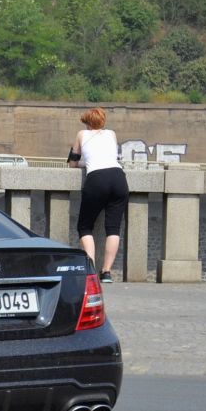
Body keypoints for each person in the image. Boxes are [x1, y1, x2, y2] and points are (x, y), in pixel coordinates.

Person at [67, 106, 128, 284]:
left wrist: (81, 163)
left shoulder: (81, 134)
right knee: (113, 228)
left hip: (96, 179)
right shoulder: (111, 134)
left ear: (87, 122)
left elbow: (73, 162)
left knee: (85, 227)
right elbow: (108, 156)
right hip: (118, 178)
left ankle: (91, 269)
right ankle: (107, 272)